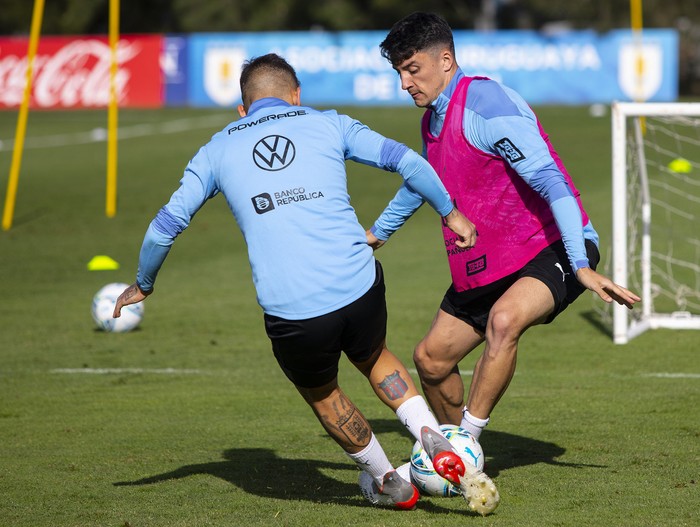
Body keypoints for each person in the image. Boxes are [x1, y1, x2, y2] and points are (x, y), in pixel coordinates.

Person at [112, 53, 499, 514]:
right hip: (359, 284)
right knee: (374, 356)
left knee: (324, 394)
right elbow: (411, 164)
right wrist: (450, 212)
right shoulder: (329, 123)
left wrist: (144, 283)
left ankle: (388, 481)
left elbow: (164, 226)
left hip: (294, 309)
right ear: (296, 97)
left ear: (242, 108)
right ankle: (427, 433)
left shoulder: (215, 150)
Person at [369, 13, 640, 448]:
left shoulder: (486, 104)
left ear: (445, 59)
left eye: (412, 69)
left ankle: (469, 445)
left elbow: (553, 182)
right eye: (398, 72)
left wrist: (580, 264)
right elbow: (426, 180)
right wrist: (376, 235)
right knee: (431, 360)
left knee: (503, 320)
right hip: (493, 257)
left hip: (553, 245)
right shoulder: (432, 119)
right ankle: (457, 450)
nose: (404, 83)